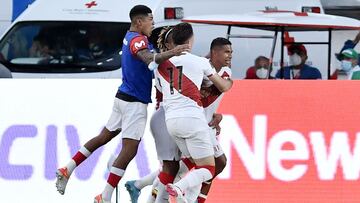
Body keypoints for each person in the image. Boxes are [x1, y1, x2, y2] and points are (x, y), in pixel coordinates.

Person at [55, 5, 190, 203]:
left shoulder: (132, 37)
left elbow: (150, 57)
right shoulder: (137, 40)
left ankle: (68, 168)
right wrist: (175, 51)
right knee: (130, 149)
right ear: (139, 22)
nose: (152, 23)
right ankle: (105, 196)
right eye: (150, 20)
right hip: (134, 102)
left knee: (103, 137)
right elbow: (148, 59)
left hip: (123, 97)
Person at [156, 22, 232, 203]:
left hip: (172, 122)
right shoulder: (201, 62)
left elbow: (161, 88)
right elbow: (222, 86)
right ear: (190, 41)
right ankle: (178, 188)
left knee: (193, 165)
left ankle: (183, 198)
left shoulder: (161, 66)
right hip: (193, 120)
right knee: (208, 169)